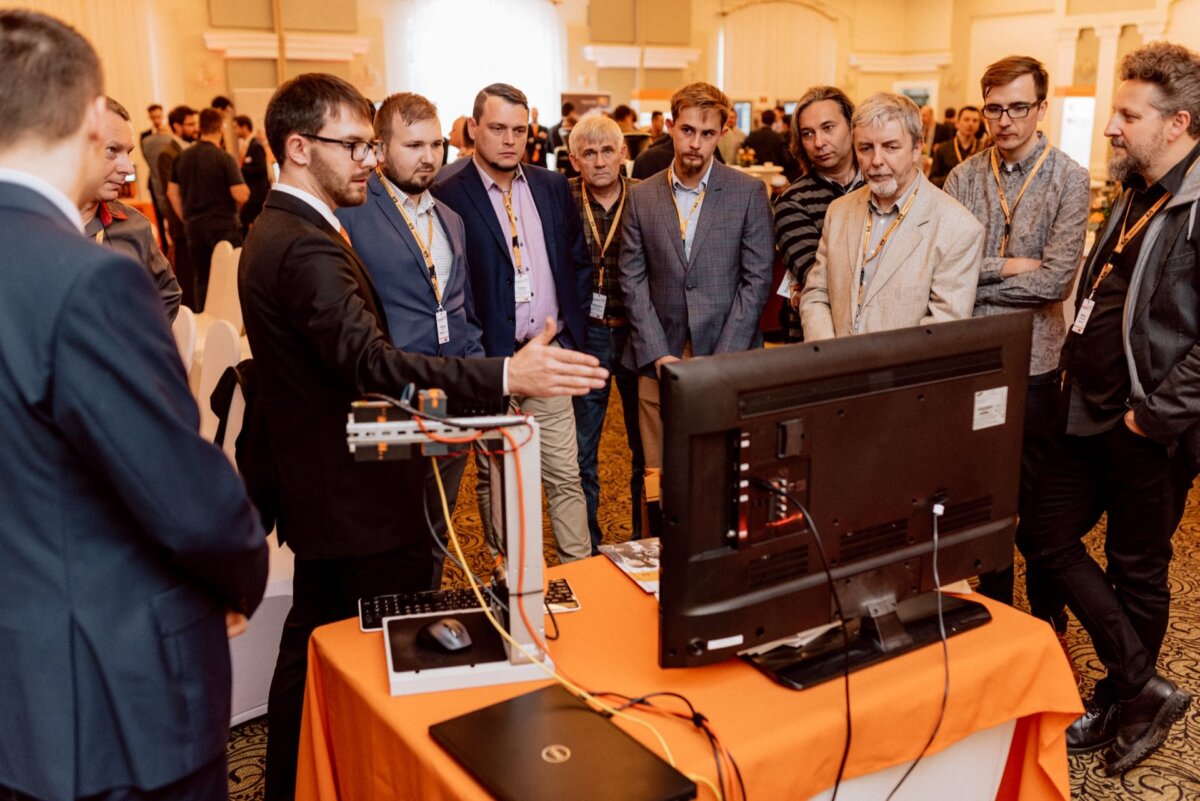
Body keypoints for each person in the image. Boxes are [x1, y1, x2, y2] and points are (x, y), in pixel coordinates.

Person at [240, 73, 606, 801]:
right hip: (357, 490)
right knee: (379, 658)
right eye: (354, 146)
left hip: (325, 481)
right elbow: (371, 362)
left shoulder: (284, 227)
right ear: (298, 147)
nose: (368, 161)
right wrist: (505, 373)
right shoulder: (306, 243)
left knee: (311, 645)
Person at [0, 10, 268, 801]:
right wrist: (238, 574)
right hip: (110, 700)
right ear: (89, 118)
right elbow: (183, 495)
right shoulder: (86, 277)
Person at [1020, 41, 1200, 775]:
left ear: (1178, 122)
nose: (1111, 127)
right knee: (1045, 536)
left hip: (1148, 428)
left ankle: (1123, 701)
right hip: (1083, 412)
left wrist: (1152, 417)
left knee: (1139, 571)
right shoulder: (1134, 188)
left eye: (1128, 113)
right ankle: (1140, 687)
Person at [943, 56, 1090, 613]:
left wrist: (980, 275)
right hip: (974, 361)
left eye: (1018, 108)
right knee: (980, 495)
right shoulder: (962, 176)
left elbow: (1056, 282)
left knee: (1037, 504)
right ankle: (996, 612)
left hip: (1036, 363)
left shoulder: (1069, 177)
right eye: (994, 108)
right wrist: (1009, 266)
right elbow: (947, 271)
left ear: (1041, 108)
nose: (1005, 121)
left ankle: (1046, 618)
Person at [433, 82, 594, 564]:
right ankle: (510, 572)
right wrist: (476, 354)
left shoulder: (551, 186)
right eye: (498, 128)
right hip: (492, 362)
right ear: (473, 128)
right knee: (498, 476)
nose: (509, 139)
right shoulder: (448, 192)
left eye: (519, 130)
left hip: (547, 355)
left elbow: (576, 262)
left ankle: (581, 571)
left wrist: (567, 332)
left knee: (565, 474)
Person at [336, 91, 485, 589]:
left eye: (437, 144)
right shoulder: (352, 215)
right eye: (414, 144)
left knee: (439, 527)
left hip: (450, 400)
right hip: (389, 398)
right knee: (391, 532)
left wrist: (476, 382)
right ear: (379, 149)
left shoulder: (451, 220)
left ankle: (426, 612)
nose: (429, 157)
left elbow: (462, 308)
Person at [619, 82, 773, 535]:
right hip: (656, 358)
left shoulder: (747, 192)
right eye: (687, 130)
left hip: (727, 357)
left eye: (707, 134)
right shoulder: (641, 195)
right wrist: (657, 351)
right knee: (656, 478)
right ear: (670, 127)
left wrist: (717, 359)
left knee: (722, 474)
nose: (695, 143)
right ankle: (652, 567)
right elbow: (632, 278)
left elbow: (757, 279)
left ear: (722, 132)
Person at [800, 92, 982, 338]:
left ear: (917, 148)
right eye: (865, 148)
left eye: (890, 147)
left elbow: (941, 331)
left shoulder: (958, 227)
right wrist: (829, 358)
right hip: (835, 369)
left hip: (903, 374)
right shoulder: (839, 211)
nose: (876, 160)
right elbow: (817, 294)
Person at [566, 114, 645, 550]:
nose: (599, 162)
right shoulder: (562, 198)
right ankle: (589, 545)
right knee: (581, 452)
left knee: (645, 449)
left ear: (623, 154)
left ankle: (642, 535)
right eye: (589, 153)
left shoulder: (646, 197)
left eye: (607, 151)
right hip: (587, 337)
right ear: (575, 159)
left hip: (637, 333)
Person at [774, 86, 864, 342]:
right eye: (808, 133)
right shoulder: (793, 201)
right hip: (814, 343)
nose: (819, 142)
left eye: (828, 127)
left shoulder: (879, 187)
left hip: (876, 339)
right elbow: (823, 280)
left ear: (852, 125)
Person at [82, 96, 182, 322]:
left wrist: (133, 345)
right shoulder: (25, 227)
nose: (127, 168)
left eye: (128, 153)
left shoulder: (135, 226)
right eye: (112, 150)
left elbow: (168, 293)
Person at [168, 107, 248, 311]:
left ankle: (206, 317)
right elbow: (241, 194)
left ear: (200, 127)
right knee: (231, 275)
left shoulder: (182, 157)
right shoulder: (224, 158)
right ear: (220, 127)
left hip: (194, 227)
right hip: (223, 225)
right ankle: (233, 319)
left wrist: (185, 217)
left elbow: (171, 192)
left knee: (202, 276)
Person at [146, 104, 197, 306]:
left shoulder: (189, 148)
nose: (195, 128)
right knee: (186, 276)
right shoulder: (168, 153)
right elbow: (170, 192)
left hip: (193, 221)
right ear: (176, 126)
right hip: (182, 224)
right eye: (190, 124)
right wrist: (184, 220)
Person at [928, 104, 982, 187]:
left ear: (979, 125)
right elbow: (932, 181)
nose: (971, 123)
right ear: (957, 123)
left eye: (975, 121)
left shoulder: (983, 149)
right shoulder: (943, 149)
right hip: (948, 197)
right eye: (966, 120)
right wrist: (955, 177)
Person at [234, 114, 270, 232]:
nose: (234, 131)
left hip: (257, 194)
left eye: (236, 128)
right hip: (252, 192)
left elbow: (261, 168)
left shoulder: (256, 145)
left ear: (244, 127)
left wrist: (240, 169)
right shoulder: (247, 145)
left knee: (244, 220)